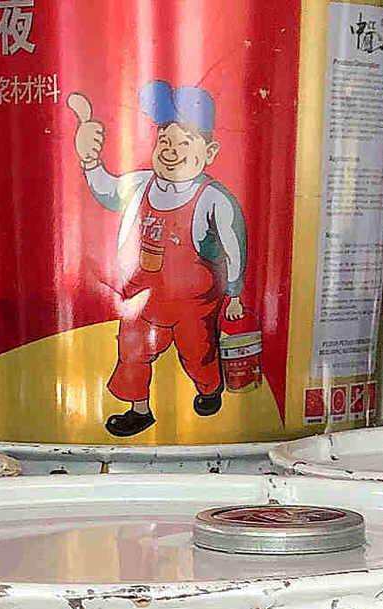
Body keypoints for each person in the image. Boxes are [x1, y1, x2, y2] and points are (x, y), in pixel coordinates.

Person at [70, 81, 249, 438]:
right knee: (132, 350)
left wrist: (234, 293)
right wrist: (90, 160)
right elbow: (107, 190)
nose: (171, 151)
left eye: (184, 143)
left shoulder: (213, 198)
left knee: (198, 352)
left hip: (194, 303)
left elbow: (233, 246)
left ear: (210, 151)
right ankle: (139, 410)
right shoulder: (142, 184)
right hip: (143, 297)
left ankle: (209, 389)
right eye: (164, 141)